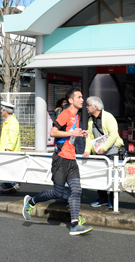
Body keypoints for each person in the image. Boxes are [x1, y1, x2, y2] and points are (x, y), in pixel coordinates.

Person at [22, 87, 93, 236]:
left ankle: (74, 224)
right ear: (71, 100)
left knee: (77, 190)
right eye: (79, 97)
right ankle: (31, 202)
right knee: (57, 192)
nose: (82, 99)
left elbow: (70, 135)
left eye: (82, 97)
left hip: (71, 159)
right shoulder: (65, 114)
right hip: (60, 159)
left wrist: (80, 133)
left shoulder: (77, 116)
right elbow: (53, 132)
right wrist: (71, 133)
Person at [82, 96, 124, 209]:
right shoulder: (91, 120)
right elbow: (89, 137)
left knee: (113, 177)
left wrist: (104, 148)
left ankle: (113, 201)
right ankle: (102, 199)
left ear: (96, 107)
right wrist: (87, 151)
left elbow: (113, 134)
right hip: (99, 153)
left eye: (88, 105)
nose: (86, 107)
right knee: (100, 176)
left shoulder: (108, 117)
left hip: (112, 151)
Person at [0, 101, 21, 193]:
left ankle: (12, 185)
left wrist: (9, 149)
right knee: (7, 169)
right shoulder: (9, 121)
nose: (1, 112)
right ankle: (11, 185)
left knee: (9, 169)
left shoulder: (12, 121)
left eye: (1, 110)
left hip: (9, 150)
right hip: (7, 150)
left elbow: (13, 136)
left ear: (5, 111)